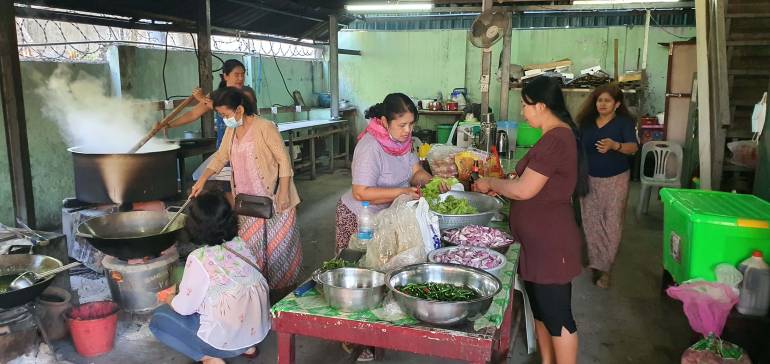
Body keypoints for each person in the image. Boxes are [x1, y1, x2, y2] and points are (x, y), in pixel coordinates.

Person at [473, 76, 587, 364]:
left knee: (558, 317)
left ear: (541, 106)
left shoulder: (558, 139)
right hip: (537, 245)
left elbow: (525, 190)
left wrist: (491, 182)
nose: (522, 112)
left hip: (552, 245)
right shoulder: (551, 137)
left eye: (525, 106)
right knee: (540, 311)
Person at [191, 87, 302, 298]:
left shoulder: (265, 127)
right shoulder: (232, 130)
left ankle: (282, 295)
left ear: (239, 109)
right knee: (251, 251)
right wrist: (203, 180)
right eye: (222, 115)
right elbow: (221, 156)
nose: (224, 119)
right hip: (247, 205)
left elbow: (283, 160)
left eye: (225, 114)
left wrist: (284, 192)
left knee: (278, 250)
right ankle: (258, 292)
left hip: (274, 200)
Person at [149, 190, 269, 364]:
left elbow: (184, 309)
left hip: (225, 340)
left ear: (194, 225)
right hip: (257, 330)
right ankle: (248, 348)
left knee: (159, 319)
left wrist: (168, 298)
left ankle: (210, 358)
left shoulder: (199, 258)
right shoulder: (239, 243)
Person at [335, 92, 444, 254]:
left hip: (387, 216)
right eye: (402, 125)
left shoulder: (404, 142)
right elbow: (360, 193)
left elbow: (415, 172)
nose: (408, 130)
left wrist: (432, 181)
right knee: (358, 266)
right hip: (359, 218)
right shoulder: (370, 147)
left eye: (411, 124)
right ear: (385, 121)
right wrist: (403, 192)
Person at [575, 83, 639, 289]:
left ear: (617, 104)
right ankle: (596, 261)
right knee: (591, 222)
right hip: (590, 178)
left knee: (612, 223)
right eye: (599, 100)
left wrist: (615, 145)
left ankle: (606, 268)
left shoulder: (623, 123)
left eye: (607, 100)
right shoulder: (586, 123)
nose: (602, 104)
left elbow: (633, 148)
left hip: (616, 179)